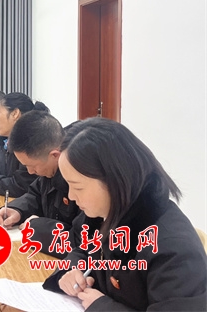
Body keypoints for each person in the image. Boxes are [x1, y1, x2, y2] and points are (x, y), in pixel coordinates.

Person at [43, 118, 207, 310]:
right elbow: (82, 248)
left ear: (114, 181)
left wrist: (103, 307)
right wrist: (73, 269)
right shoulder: (104, 213)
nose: (71, 196)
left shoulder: (173, 249)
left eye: (77, 187)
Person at [0, 111, 81, 257]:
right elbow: (36, 194)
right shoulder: (50, 169)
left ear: (55, 155)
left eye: (32, 166)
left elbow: (83, 242)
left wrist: (38, 228)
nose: (30, 172)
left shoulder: (82, 177)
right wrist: (18, 210)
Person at [0, 92, 46, 197]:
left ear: (15, 114)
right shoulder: (10, 139)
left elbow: (20, 187)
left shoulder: (30, 142)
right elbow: (5, 168)